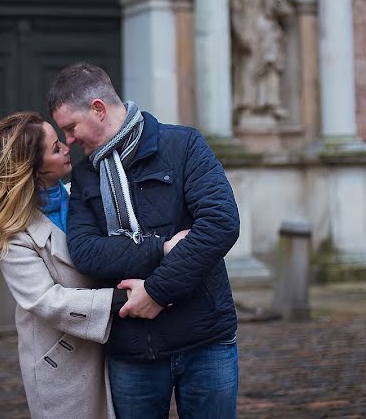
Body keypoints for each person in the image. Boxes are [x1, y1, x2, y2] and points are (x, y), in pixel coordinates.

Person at [0, 112, 189, 419]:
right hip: (63, 361)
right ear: (32, 169)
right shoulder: (11, 233)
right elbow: (45, 300)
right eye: (54, 148)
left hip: (112, 347)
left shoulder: (80, 194)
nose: (66, 147)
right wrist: (125, 299)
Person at [48, 62, 241, 419]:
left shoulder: (182, 145)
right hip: (133, 349)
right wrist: (163, 247)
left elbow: (220, 224)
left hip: (206, 341)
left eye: (71, 127)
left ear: (98, 109)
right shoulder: (88, 175)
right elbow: (87, 253)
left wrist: (156, 292)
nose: (69, 140)